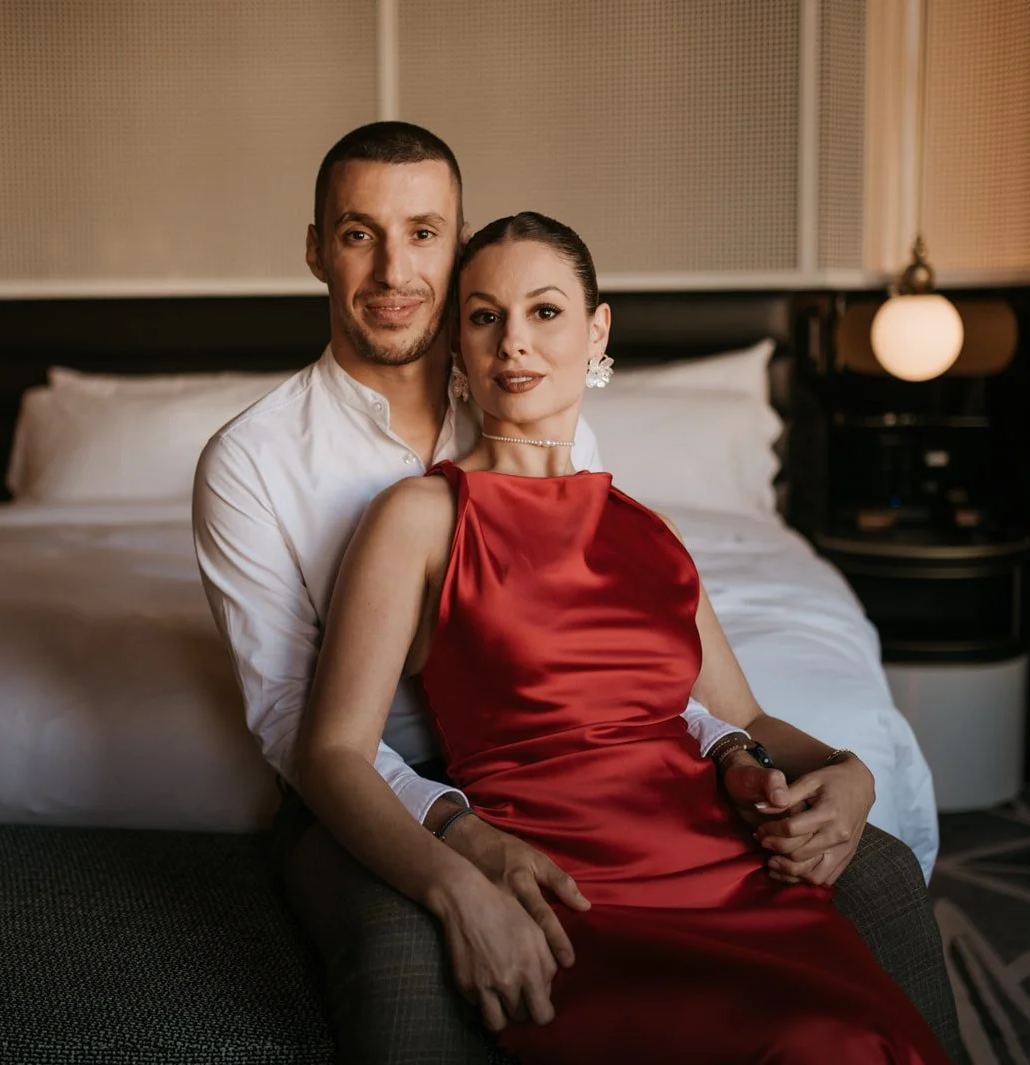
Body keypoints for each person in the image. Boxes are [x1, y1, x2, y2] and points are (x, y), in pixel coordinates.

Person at [194, 122, 960, 1063]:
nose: (396, 268)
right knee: (410, 968)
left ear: (461, 241)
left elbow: (611, 641)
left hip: (610, 792)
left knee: (875, 875)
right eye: (360, 234)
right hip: (373, 793)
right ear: (318, 248)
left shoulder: (537, 411)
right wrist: (464, 845)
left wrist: (741, 754)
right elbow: (298, 732)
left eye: (425, 232)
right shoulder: (256, 461)